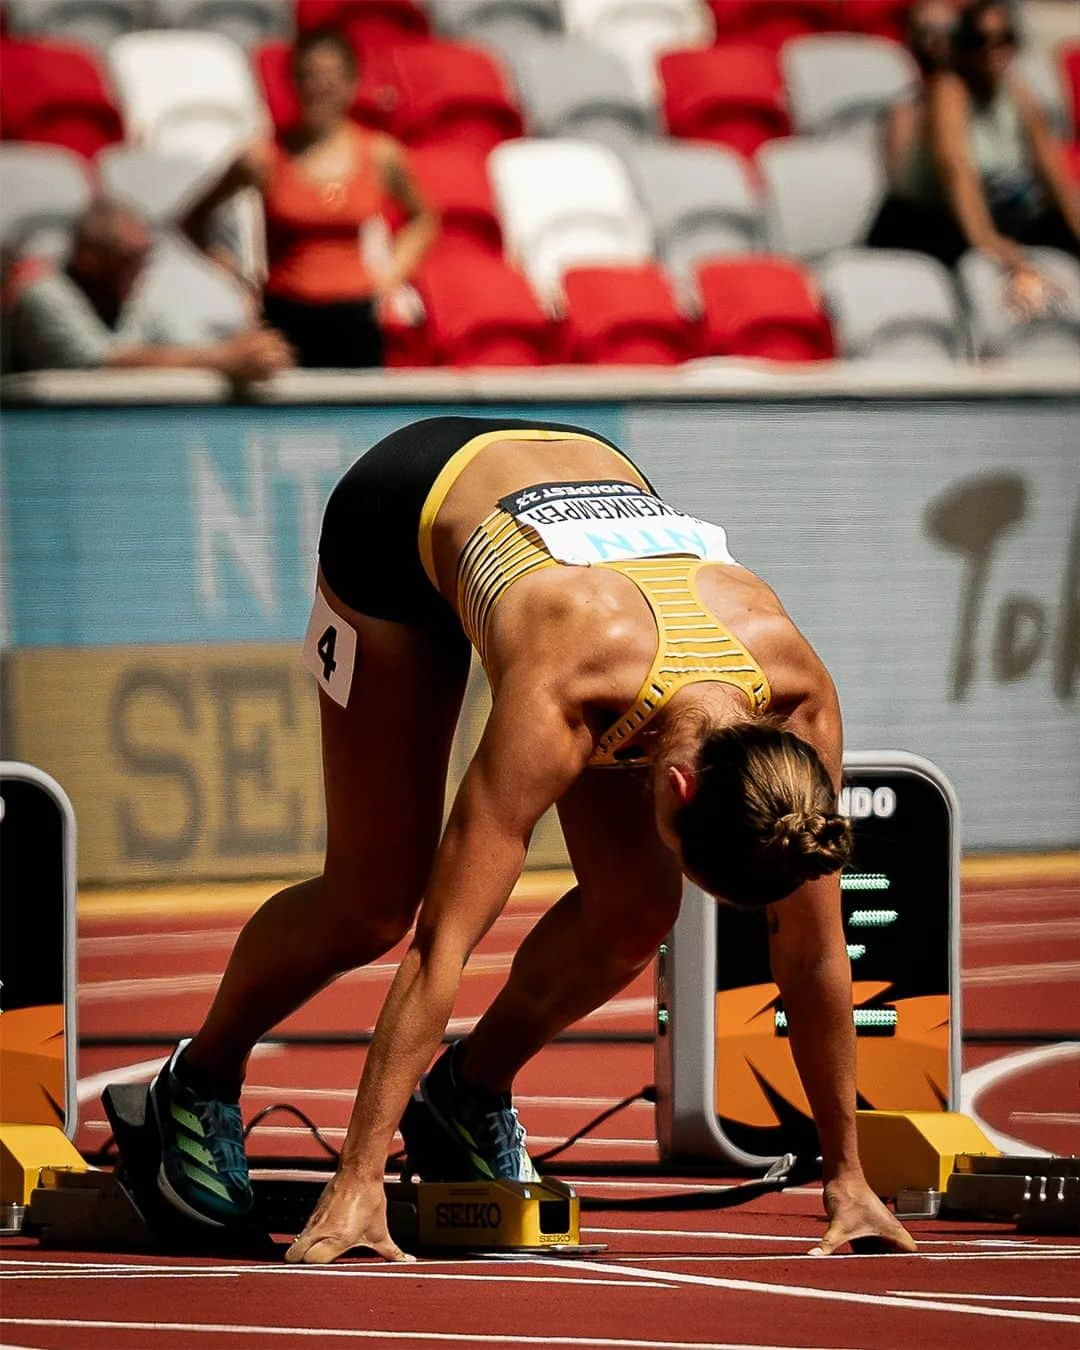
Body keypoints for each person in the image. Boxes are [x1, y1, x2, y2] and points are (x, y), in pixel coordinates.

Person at [150, 416, 917, 1264]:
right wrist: (358, 1179)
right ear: (678, 785)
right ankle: (199, 1078)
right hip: (399, 517)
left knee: (636, 908)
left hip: (585, 491)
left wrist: (847, 1176)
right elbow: (445, 945)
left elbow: (813, 954)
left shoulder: (797, 715)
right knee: (373, 905)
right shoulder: (567, 692)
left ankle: (467, 1092)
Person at [182, 27, 438, 369]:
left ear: (352, 82)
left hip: (356, 318)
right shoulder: (263, 157)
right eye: (310, 76)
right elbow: (195, 216)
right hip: (287, 316)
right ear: (294, 83)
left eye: (331, 77)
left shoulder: (379, 154)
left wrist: (391, 275)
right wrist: (232, 273)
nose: (320, 87)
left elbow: (423, 218)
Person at [868, 0, 1080, 305]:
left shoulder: (1015, 90)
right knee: (989, 266)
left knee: (1057, 229)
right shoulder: (948, 90)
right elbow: (957, 170)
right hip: (927, 221)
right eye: (981, 41)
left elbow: (1052, 171)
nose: (993, 49)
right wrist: (997, 248)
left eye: (1004, 39)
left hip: (990, 209)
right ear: (964, 46)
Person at [7, 199, 293, 381]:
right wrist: (224, 358)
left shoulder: (137, 292)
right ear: (87, 257)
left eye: (145, 255)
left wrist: (253, 351)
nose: (141, 267)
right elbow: (96, 364)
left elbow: (182, 343)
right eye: (126, 257)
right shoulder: (42, 294)